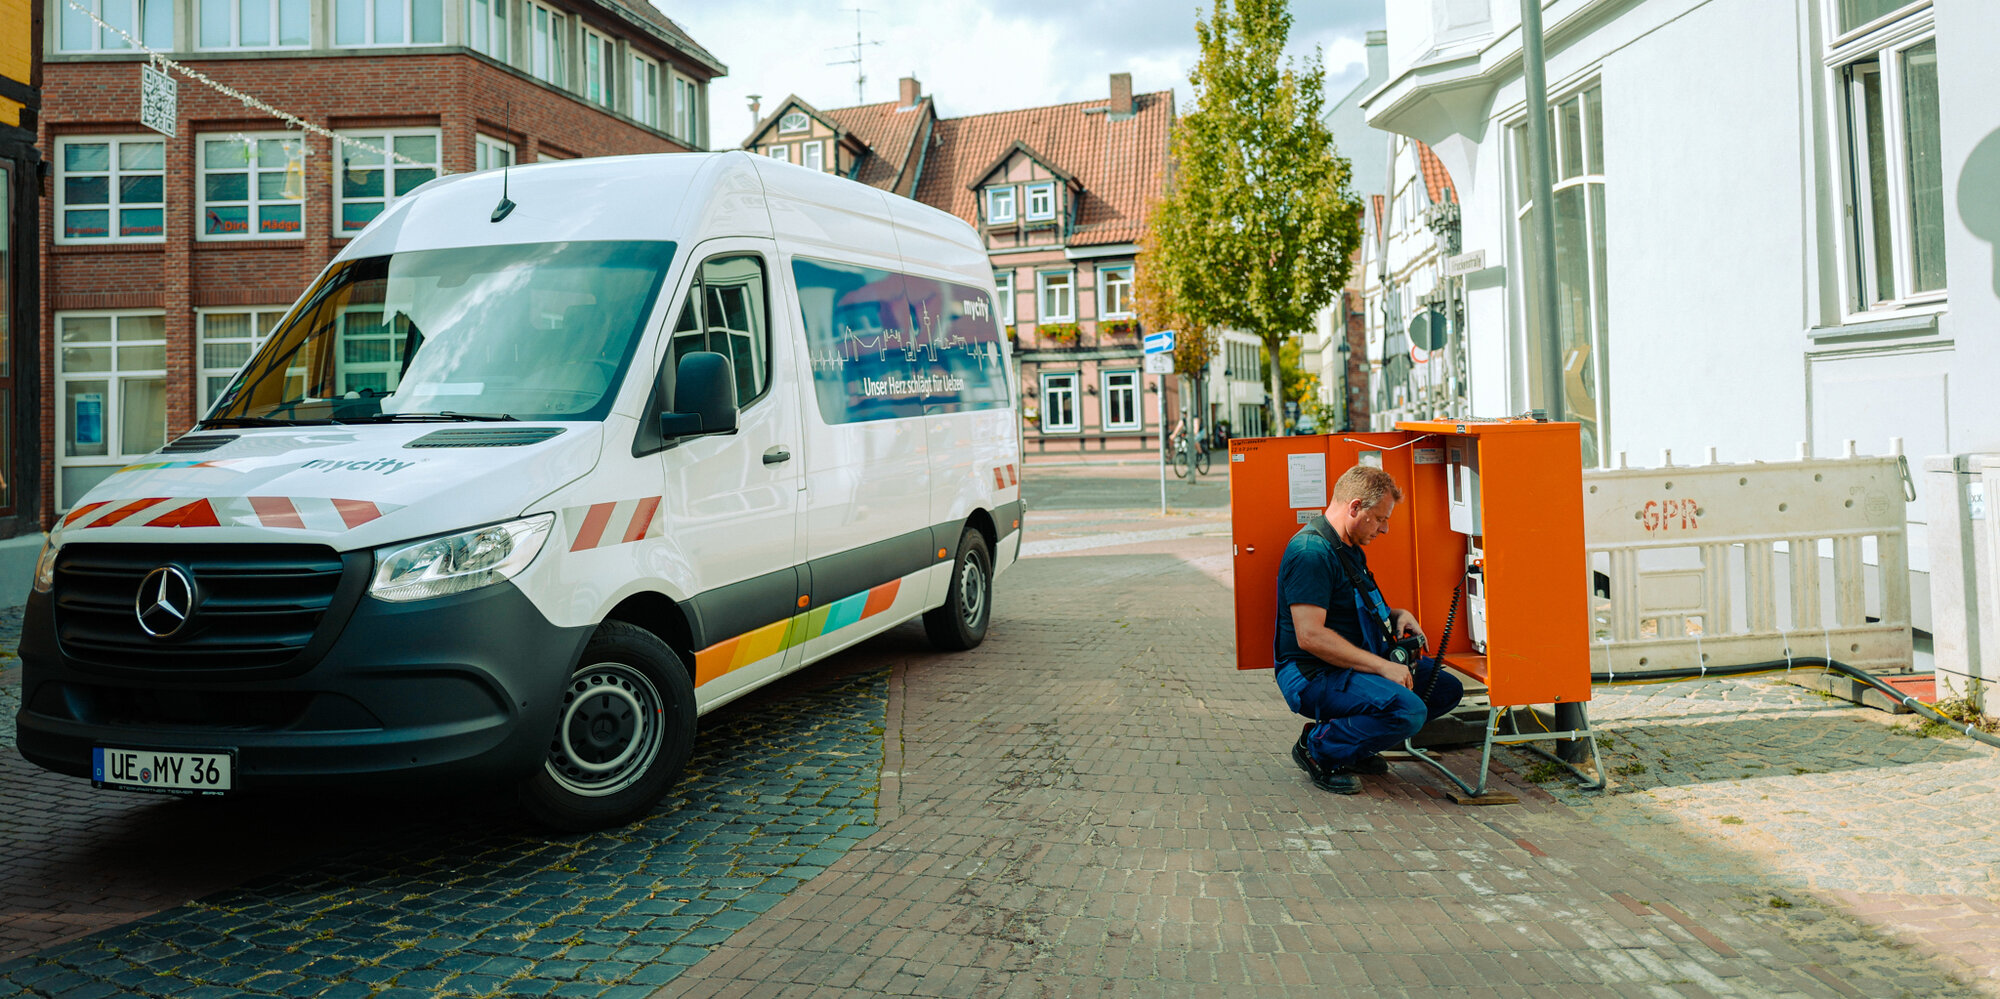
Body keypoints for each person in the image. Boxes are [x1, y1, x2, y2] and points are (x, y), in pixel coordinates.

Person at [1273, 465, 1465, 794]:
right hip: (1313, 674)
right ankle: (1318, 749)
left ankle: (1353, 747)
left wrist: (1395, 614)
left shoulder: (1348, 548)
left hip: (1348, 665)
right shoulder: (1311, 555)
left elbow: (1348, 606)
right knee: (1408, 709)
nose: (1385, 528)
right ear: (1354, 507)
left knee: (1443, 688)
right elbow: (1310, 636)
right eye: (1379, 518)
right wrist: (1382, 666)